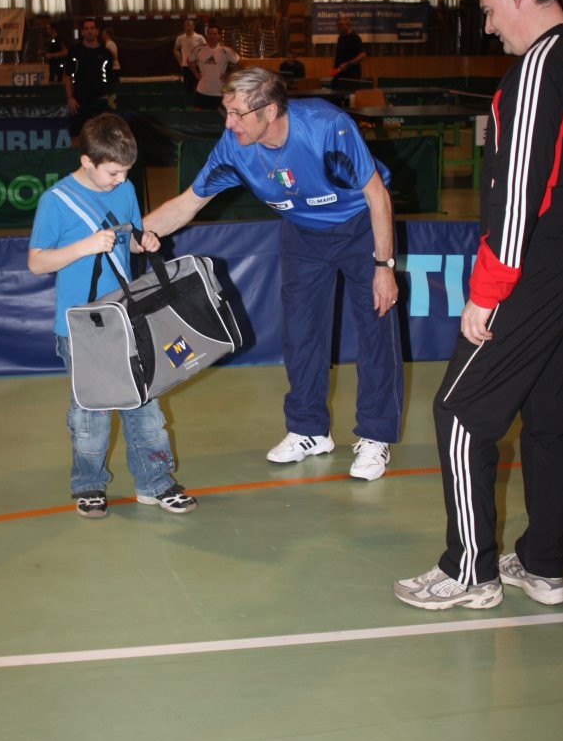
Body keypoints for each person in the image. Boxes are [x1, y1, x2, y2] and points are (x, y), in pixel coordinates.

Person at [394, 0, 563, 611]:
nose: (489, 26)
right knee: (549, 416)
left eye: (489, 9)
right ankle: (546, 563)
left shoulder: (538, 69)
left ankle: (470, 569)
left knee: (460, 412)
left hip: (534, 271)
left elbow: (518, 193)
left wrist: (486, 293)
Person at [144, 66, 403, 481]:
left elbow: (377, 195)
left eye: (237, 113)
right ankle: (309, 430)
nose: (228, 123)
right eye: (226, 111)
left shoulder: (327, 128)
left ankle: (375, 436)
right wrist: (140, 233)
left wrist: (384, 266)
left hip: (359, 228)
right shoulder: (234, 148)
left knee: (374, 328)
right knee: (300, 333)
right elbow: (189, 203)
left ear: (268, 111)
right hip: (302, 233)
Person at [27, 113, 198, 519]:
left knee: (145, 405)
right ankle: (88, 483)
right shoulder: (55, 201)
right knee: (91, 413)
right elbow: (36, 263)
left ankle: (155, 482)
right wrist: (84, 247)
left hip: (126, 317)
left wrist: (144, 241)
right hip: (81, 326)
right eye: (113, 173)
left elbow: (130, 237)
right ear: (87, 161)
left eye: (126, 172)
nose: (120, 181)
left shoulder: (123, 190)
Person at [63, 18, 118, 138]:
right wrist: (70, 98)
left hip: (100, 103)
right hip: (78, 103)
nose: (90, 31)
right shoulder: (75, 51)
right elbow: (67, 75)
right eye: (86, 29)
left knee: (103, 138)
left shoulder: (106, 53)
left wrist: (108, 98)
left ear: (97, 31)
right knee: (77, 137)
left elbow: (111, 79)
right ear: (82, 32)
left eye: (92, 28)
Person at [189, 23, 240, 110]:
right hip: (203, 90)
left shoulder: (226, 50)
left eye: (214, 34)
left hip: (220, 91)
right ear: (206, 35)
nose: (212, 36)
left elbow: (239, 62)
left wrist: (230, 74)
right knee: (195, 114)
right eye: (210, 34)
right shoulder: (199, 49)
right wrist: (196, 73)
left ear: (219, 36)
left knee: (221, 116)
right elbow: (189, 61)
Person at [331, 13, 367, 84]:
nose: (339, 27)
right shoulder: (340, 38)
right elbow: (339, 59)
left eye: (341, 24)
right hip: (340, 76)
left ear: (348, 24)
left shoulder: (354, 37)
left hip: (351, 78)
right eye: (338, 25)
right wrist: (333, 72)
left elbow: (363, 56)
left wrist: (348, 64)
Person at [173, 17, 206, 92]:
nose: (188, 27)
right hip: (186, 65)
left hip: (197, 66)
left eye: (190, 25)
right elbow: (175, 50)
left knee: (198, 86)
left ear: (194, 26)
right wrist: (181, 62)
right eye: (186, 25)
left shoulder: (199, 37)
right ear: (184, 27)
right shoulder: (180, 38)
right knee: (187, 87)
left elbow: (205, 49)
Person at [41, 17, 68, 83]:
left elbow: (65, 52)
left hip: (58, 67)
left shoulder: (59, 39)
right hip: (50, 67)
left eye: (48, 28)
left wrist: (52, 55)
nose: (47, 30)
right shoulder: (48, 40)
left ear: (53, 29)